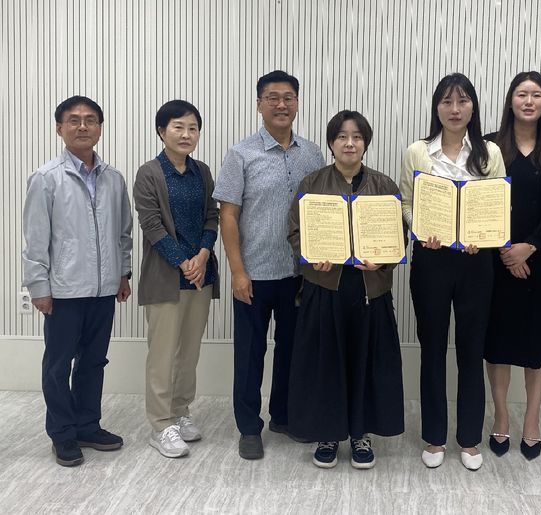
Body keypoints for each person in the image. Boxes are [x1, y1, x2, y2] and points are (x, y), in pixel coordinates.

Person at [213, 70, 326, 460]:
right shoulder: (240, 153)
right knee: (249, 354)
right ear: (259, 103)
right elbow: (228, 216)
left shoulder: (313, 153)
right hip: (255, 274)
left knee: (293, 351)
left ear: (297, 103)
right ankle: (249, 427)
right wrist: (237, 271)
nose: (281, 104)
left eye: (289, 97)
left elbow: (322, 212)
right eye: (273, 97)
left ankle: (283, 415)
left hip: (299, 274)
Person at [287, 110, 405, 469]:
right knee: (326, 364)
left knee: (365, 363)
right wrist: (312, 258)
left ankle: (360, 433)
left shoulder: (384, 186)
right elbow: (295, 233)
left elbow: (398, 239)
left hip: (370, 290)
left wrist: (382, 260)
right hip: (326, 287)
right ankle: (328, 432)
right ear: (331, 143)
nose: (349, 143)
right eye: (342, 136)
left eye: (356, 136)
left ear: (365, 142)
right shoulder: (312, 183)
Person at [399, 73, 506, 470]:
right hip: (432, 259)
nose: (455, 109)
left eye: (462, 101)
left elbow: (497, 205)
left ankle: (469, 438)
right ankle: (434, 436)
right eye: (446, 102)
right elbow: (406, 202)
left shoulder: (489, 153)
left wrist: (483, 235)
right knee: (432, 348)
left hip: (477, 261)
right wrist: (419, 227)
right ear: (436, 108)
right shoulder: (417, 152)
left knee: (471, 349)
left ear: (473, 107)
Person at [22, 96, 132, 467]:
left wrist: (122, 273)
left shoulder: (114, 179)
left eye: (90, 120)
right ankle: (63, 433)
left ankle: (88, 424)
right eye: (73, 120)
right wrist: (39, 286)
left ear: (100, 128)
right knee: (58, 364)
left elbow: (123, 234)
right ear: (59, 128)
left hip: (103, 290)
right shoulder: (46, 178)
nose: (82, 126)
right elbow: (36, 239)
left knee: (93, 362)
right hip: (64, 291)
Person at [483, 71, 541, 460]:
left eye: (537, 94)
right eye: (522, 94)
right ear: (510, 101)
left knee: (537, 341)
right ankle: (501, 418)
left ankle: (532, 421)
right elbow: (477, 203)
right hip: (494, 261)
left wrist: (529, 247)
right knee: (498, 342)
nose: (529, 101)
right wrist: (507, 250)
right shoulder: (488, 147)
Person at [134, 100, 220, 458]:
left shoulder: (202, 171)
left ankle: (181, 411)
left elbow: (212, 217)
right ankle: (160, 424)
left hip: (200, 276)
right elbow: (151, 224)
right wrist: (184, 262)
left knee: (189, 352)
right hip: (166, 277)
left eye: (193, 128)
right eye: (178, 127)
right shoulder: (149, 173)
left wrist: (202, 255)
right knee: (163, 354)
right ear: (161, 131)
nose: (186, 134)